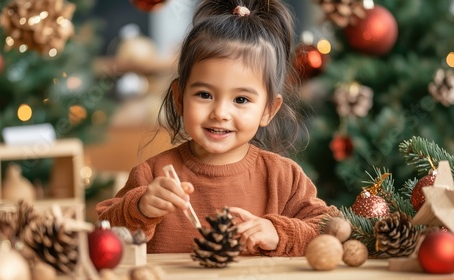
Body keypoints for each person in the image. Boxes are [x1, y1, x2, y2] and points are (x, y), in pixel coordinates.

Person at [96, 0, 337, 257]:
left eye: (241, 100)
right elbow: (102, 235)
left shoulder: (283, 178)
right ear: (179, 98)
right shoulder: (152, 176)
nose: (220, 113)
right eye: (204, 94)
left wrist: (278, 232)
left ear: (268, 110)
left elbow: (329, 230)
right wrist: (140, 208)